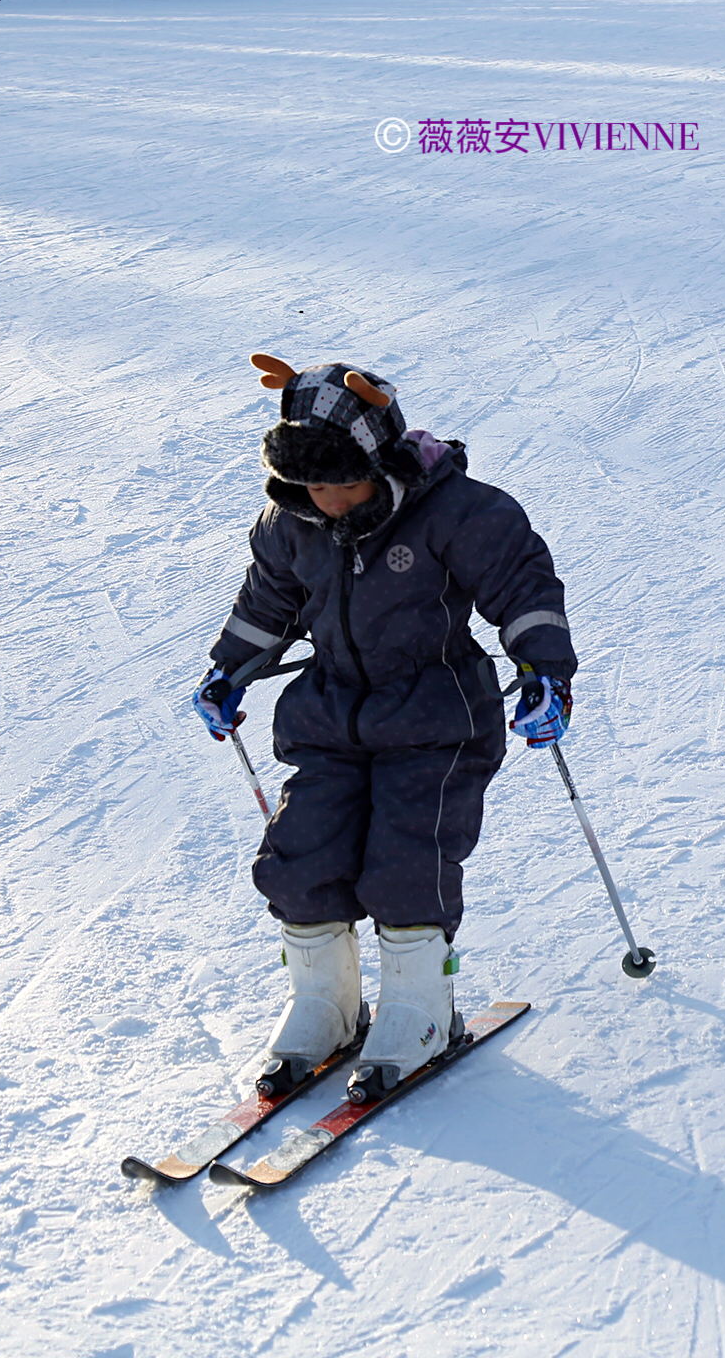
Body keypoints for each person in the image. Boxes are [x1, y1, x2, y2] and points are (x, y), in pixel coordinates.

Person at [193, 357, 578, 1100]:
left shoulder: (459, 513)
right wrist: (229, 669)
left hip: (439, 720)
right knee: (300, 857)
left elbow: (523, 586)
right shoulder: (290, 524)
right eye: (315, 487)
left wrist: (544, 672)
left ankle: (419, 1009)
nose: (331, 503)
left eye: (346, 485)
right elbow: (266, 606)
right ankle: (325, 1005)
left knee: (406, 860)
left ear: (380, 459)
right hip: (332, 716)